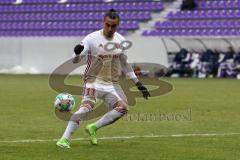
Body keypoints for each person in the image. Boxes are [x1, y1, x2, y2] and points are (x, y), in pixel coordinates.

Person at [56, 9, 150, 148]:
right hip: (92, 81)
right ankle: (64, 139)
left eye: (114, 26)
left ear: (118, 25)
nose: (110, 28)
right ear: (103, 23)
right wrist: (76, 54)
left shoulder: (121, 40)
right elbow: (75, 61)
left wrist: (138, 83)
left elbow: (124, 63)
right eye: (107, 25)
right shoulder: (91, 38)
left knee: (123, 108)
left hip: (112, 83)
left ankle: (93, 127)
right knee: (86, 109)